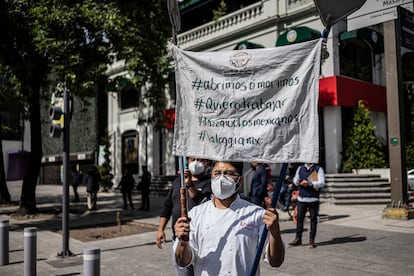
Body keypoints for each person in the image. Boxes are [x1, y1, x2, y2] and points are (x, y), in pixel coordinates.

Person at [174, 160, 285, 275]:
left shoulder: (257, 214)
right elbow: (183, 262)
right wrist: (183, 241)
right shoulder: (196, 214)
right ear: (211, 176)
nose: (221, 179)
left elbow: (276, 261)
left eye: (229, 173)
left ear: (240, 180)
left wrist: (275, 232)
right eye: (217, 173)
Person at [156, 157, 211, 276]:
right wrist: (161, 229)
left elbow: (201, 200)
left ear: (207, 163)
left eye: (200, 160)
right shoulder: (177, 182)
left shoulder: (210, 182)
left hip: (202, 241)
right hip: (181, 239)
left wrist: (190, 184)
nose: (196, 163)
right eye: (193, 159)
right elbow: (167, 207)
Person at [289, 163, 325, 248]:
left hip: (313, 198)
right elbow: (295, 179)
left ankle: (311, 240)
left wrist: (310, 183)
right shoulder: (300, 168)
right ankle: (298, 238)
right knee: (299, 218)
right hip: (302, 198)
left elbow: (322, 183)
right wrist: (297, 182)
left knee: (313, 219)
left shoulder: (318, 168)